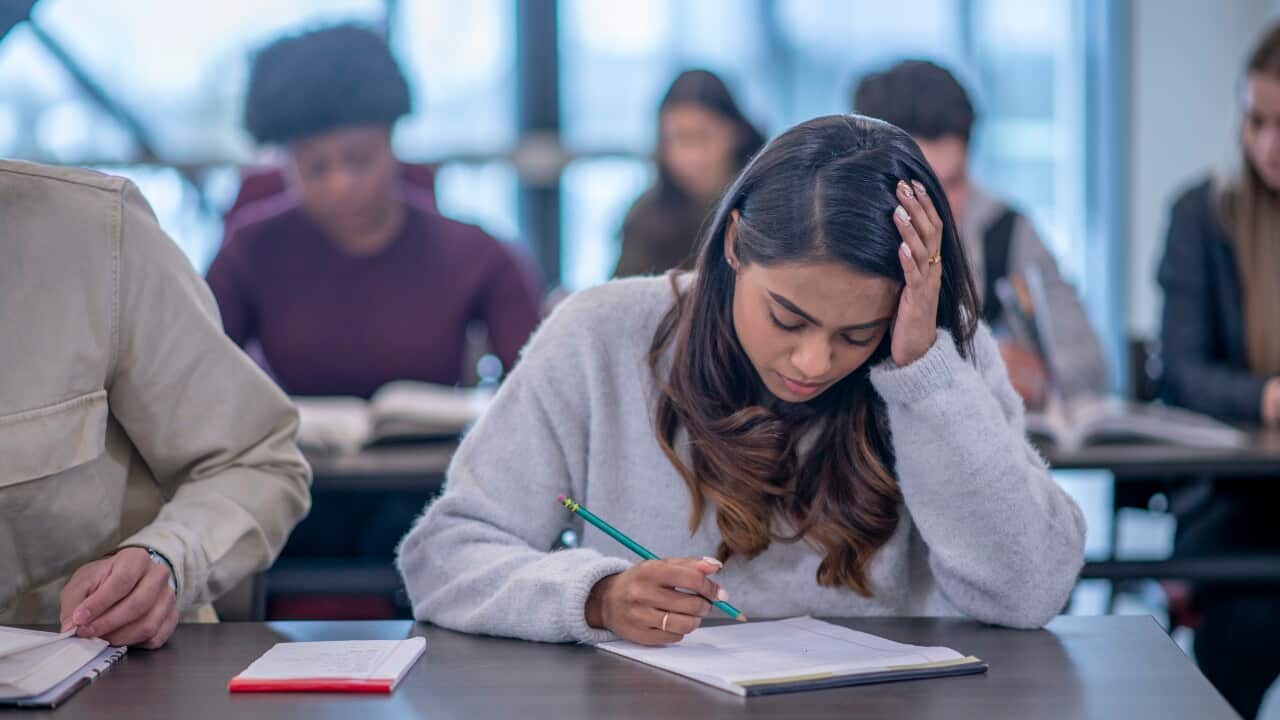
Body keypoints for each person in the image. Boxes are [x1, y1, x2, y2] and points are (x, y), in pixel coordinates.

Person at [397, 115, 1085, 646]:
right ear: (732, 245)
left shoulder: (937, 353)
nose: (813, 363)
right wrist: (596, 597)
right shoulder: (601, 334)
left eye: (855, 335)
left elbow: (1027, 593)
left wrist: (921, 372)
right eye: (787, 317)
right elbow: (445, 556)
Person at [0, 160, 311, 647]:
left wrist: (167, 557)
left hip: (101, 678)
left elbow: (257, 458)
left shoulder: (95, 235)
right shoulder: (251, 247)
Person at [206, 24, 542, 399]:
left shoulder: (476, 254)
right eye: (316, 168)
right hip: (292, 455)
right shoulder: (249, 253)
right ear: (285, 164)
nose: (341, 184)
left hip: (445, 457)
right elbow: (197, 377)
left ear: (391, 143)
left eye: (360, 160)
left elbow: (537, 390)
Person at [853, 60, 1108, 408]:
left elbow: (1092, 367)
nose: (939, 208)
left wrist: (1036, 375)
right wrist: (978, 365)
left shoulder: (1006, 230)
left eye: (954, 182)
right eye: (922, 187)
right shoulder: (839, 238)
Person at [1158, 24, 1280, 719]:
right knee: (1246, 627)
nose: (1267, 144)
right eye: (1256, 120)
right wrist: (1265, 396)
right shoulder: (1201, 216)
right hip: (1231, 506)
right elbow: (1181, 371)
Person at [614, 69, 765, 278]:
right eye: (677, 139)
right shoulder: (645, 217)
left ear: (736, 133)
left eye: (702, 137)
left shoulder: (769, 205)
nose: (691, 156)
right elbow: (624, 298)